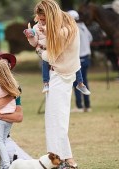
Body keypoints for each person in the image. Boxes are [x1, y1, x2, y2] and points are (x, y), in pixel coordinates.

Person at [24, 0, 80, 168]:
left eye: (43, 19)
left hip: (61, 75)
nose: (40, 22)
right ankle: (62, 158)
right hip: (56, 74)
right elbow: (41, 40)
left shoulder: (65, 31)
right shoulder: (58, 25)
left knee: (58, 119)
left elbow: (50, 56)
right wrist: (34, 37)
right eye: (39, 19)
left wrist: (39, 50)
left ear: (51, 16)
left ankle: (64, 159)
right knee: (52, 118)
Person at [24, 12, 91, 95]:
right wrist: (31, 36)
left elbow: (57, 37)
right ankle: (46, 83)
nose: (42, 21)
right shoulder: (36, 27)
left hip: (56, 50)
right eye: (40, 19)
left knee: (75, 64)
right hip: (45, 50)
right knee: (45, 63)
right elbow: (34, 43)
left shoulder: (57, 26)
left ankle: (80, 83)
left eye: (44, 19)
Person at [68, 10, 93, 113]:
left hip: (78, 59)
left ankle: (79, 106)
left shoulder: (73, 29)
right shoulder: (83, 26)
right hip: (86, 58)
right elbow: (90, 38)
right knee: (84, 81)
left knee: (77, 82)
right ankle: (87, 105)